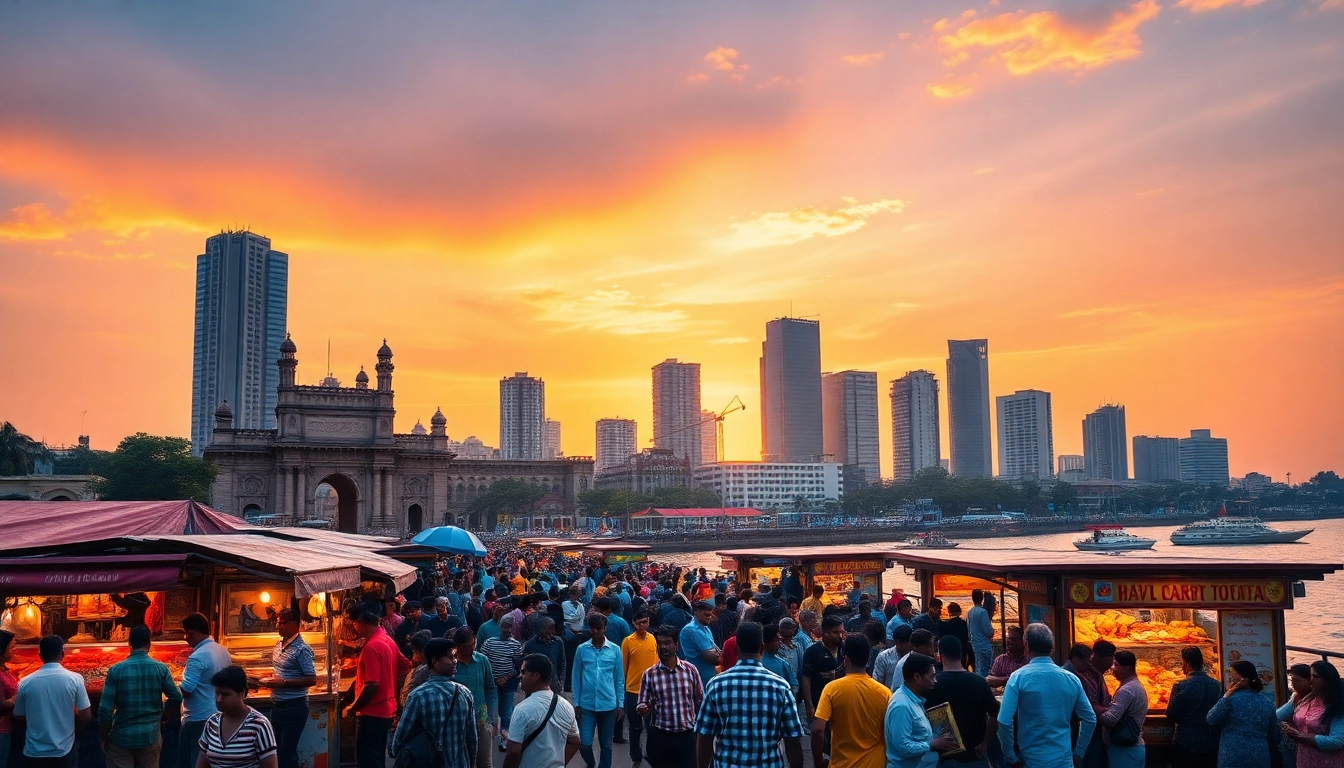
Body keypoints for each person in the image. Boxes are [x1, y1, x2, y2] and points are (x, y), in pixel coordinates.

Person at [695, 622, 804, 768]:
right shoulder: (780, 687)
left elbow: (705, 737)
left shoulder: (716, 685)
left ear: (737, 649)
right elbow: (793, 742)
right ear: (762, 648)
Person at [996, 623, 1096, 768]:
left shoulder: (1018, 678)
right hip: (1064, 761)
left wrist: (1010, 756)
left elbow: (1004, 721)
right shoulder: (1071, 679)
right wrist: (1078, 753)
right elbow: (1090, 719)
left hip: (1031, 761)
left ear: (1026, 646)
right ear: (1052, 648)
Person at [98, 625, 183, 768]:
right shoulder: (160, 668)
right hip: (150, 736)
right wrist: (162, 714)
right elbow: (177, 697)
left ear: (129, 644)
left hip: (120, 738)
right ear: (149, 644)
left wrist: (103, 737)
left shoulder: (115, 670)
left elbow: (104, 711)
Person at [390, 638, 477, 768]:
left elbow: (401, 735)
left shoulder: (417, 696)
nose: (455, 661)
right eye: (450, 657)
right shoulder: (465, 694)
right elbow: (472, 738)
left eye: (455, 656)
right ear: (434, 661)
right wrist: (472, 762)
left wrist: (398, 754)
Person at [811, 635, 890, 768]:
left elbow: (818, 730)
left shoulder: (832, 689)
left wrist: (819, 762)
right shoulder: (885, 693)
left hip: (841, 764)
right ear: (869, 658)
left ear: (845, 659)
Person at [13, 635, 92, 768]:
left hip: (34, 752)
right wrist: (73, 732)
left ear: (40, 654)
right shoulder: (75, 679)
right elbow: (86, 716)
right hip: (64, 751)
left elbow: (18, 715)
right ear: (62, 653)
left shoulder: (24, 682)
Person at [926, 636, 998, 767]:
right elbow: (995, 713)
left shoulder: (934, 684)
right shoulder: (979, 682)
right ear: (961, 654)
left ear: (941, 656)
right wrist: (984, 743)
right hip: (976, 756)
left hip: (947, 757)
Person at [255, 609, 315, 768]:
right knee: (277, 750)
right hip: (277, 706)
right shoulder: (278, 644)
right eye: (277, 622)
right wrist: (265, 678)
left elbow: (311, 678)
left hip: (294, 707)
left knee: (286, 754)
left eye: (282, 623)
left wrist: (282, 683)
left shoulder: (302, 649)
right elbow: (279, 672)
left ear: (295, 624)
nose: (278, 626)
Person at [636, 626, 703, 768]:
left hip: (687, 738)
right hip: (661, 738)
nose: (662, 647)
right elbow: (641, 704)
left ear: (676, 645)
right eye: (659, 644)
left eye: (667, 643)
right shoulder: (649, 674)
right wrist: (644, 708)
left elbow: (700, 701)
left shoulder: (690, 670)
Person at [343, 611, 400, 768]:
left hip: (373, 713)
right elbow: (404, 666)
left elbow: (372, 685)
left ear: (364, 623)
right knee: (377, 757)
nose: (354, 627)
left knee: (368, 760)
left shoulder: (372, 646)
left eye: (355, 623)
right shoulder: (387, 640)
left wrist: (353, 707)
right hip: (386, 709)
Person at [501, 655, 579, 768]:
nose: (520, 676)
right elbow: (575, 741)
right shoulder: (567, 706)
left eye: (523, 672)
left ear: (536, 676)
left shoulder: (522, 709)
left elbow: (513, 752)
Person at [884, 653, 956, 768]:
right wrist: (931, 744)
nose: (935, 681)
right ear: (917, 677)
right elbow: (901, 746)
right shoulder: (901, 705)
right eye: (932, 676)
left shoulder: (914, 699)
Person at [195, 666, 276, 768]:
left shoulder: (259, 725)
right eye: (217, 693)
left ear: (241, 694)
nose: (219, 699)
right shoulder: (212, 722)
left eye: (226, 694)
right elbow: (202, 760)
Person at [178, 613, 231, 768]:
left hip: (197, 718)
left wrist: (172, 685)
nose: (185, 637)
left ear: (196, 632)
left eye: (187, 633)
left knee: (193, 761)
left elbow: (187, 690)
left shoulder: (198, 657)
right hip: (218, 714)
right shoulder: (222, 650)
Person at [571, 614, 624, 768]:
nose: (595, 631)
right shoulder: (582, 650)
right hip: (586, 705)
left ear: (604, 629)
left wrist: (620, 704)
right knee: (585, 743)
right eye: (592, 628)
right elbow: (576, 677)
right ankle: (591, 764)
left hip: (608, 705)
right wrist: (577, 702)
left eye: (598, 628)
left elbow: (619, 680)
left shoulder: (614, 650)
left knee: (606, 746)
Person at [1208, 660, 1281, 768]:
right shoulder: (1267, 703)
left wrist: (1229, 693)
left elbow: (1211, 718)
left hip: (1232, 756)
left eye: (1231, 676)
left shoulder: (1229, 701)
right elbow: (1276, 736)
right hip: (1259, 756)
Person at [1279, 660, 1344, 767]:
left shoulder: (1337, 705)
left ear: (1327, 680)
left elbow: (1336, 741)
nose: (1311, 680)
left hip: (1328, 762)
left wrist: (1299, 737)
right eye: (1310, 676)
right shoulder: (1309, 698)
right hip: (1305, 759)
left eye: (1315, 677)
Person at [1166, 645, 1223, 768]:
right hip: (1210, 742)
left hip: (1186, 741)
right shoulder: (1217, 685)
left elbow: (1171, 713)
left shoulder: (1182, 685)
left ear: (1186, 663)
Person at [449, 627, 498, 768]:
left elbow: (491, 689)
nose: (471, 648)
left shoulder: (482, 660)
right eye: (466, 647)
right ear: (457, 647)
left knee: (485, 762)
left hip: (481, 719)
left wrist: (493, 720)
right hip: (456, 722)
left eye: (473, 644)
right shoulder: (450, 663)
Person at [481, 617, 524, 752]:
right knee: (492, 712)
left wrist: (506, 677)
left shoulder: (515, 645)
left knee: (505, 712)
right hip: (491, 683)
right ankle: (490, 738)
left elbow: (518, 666)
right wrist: (492, 678)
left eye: (510, 627)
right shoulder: (489, 643)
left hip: (508, 683)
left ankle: (504, 738)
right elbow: (483, 661)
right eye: (505, 627)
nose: (507, 630)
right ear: (500, 627)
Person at [1099, 650, 1147, 768]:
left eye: (1116, 664)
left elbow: (1111, 719)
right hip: (1131, 749)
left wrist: (1094, 710)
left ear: (1126, 668)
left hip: (1125, 751)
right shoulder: (1134, 686)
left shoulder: (1127, 690)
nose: (1112, 668)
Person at [620, 612, 657, 768]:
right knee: (635, 727)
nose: (642, 626)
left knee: (652, 726)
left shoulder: (653, 639)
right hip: (633, 691)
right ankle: (636, 756)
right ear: (634, 624)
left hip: (652, 690)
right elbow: (623, 668)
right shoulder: (628, 642)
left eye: (645, 622)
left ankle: (651, 755)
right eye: (639, 623)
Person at [1075, 639, 1114, 768]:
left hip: (1098, 732)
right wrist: (1115, 710)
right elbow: (1093, 709)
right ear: (1105, 658)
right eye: (1111, 658)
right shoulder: (1086, 676)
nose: (1112, 663)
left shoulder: (1098, 674)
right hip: (1088, 733)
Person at [800, 616, 846, 722]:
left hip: (841, 702)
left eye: (842, 632)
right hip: (820, 703)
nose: (840, 636)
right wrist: (809, 705)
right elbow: (806, 679)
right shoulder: (812, 651)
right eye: (835, 632)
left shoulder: (844, 648)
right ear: (825, 632)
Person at [678, 601, 719, 687]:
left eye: (710, 615)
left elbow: (717, 651)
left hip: (709, 677)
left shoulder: (705, 628)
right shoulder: (692, 630)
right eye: (707, 615)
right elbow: (712, 658)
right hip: (699, 679)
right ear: (697, 612)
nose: (710, 618)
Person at [523, 619, 566, 695]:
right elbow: (525, 666)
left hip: (554, 685)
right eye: (549, 628)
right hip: (535, 686)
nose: (552, 631)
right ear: (541, 629)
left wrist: (560, 681)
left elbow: (562, 663)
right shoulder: (530, 645)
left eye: (553, 628)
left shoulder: (558, 642)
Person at [890, 630, 937, 694]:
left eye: (933, 645)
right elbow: (896, 689)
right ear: (914, 647)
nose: (932, 649)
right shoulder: (903, 664)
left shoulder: (929, 661)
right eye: (928, 645)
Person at [873, 625, 913, 692]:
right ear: (895, 641)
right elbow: (877, 682)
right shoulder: (884, 656)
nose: (902, 645)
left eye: (905, 643)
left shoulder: (915, 657)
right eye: (899, 643)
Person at [400, 631, 434, 704]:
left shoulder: (425, 670)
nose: (414, 657)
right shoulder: (435, 666)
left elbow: (407, 696)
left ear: (422, 651)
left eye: (415, 652)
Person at [966, 591, 993, 678]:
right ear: (982, 598)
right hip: (984, 645)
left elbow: (968, 629)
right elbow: (988, 631)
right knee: (986, 670)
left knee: (978, 668)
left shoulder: (970, 612)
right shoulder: (982, 612)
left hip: (975, 645)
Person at [0, 629, 16, 768]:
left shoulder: (4, 669)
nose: (14, 650)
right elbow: (1, 705)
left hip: (8, 729)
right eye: (11, 647)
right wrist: (19, 696)